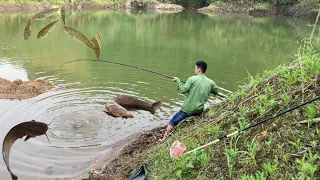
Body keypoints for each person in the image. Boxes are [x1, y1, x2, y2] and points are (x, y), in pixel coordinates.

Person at [160, 61, 219, 143]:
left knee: (172, 122)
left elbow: (183, 90)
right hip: (199, 110)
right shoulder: (211, 82)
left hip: (187, 110)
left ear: (199, 70)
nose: (194, 70)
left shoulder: (192, 79)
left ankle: (163, 139)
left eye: (195, 68)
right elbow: (216, 92)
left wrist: (178, 81)